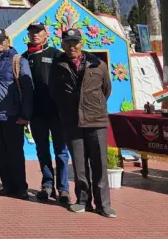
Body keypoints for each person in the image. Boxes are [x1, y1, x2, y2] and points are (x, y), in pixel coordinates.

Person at [50, 29, 115, 218]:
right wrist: (67, 107)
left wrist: (92, 105)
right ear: (62, 45)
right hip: (72, 121)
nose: (72, 46)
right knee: (79, 165)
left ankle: (103, 204)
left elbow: (106, 90)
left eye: (75, 42)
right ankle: (83, 201)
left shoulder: (98, 65)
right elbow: (54, 91)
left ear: (82, 43)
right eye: (68, 43)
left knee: (100, 164)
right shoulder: (57, 66)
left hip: (96, 120)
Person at [23, 21, 70, 204]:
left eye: (38, 31)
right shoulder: (24, 58)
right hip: (36, 113)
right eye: (32, 32)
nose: (35, 34)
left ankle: (63, 188)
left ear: (45, 34)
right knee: (42, 151)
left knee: (61, 151)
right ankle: (47, 185)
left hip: (57, 113)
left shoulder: (57, 55)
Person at [0, 30, 33, 199]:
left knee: (15, 153)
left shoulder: (18, 61)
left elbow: (28, 89)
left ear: (7, 41)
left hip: (13, 116)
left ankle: (20, 187)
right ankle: (7, 185)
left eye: (1, 40)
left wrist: (25, 115)